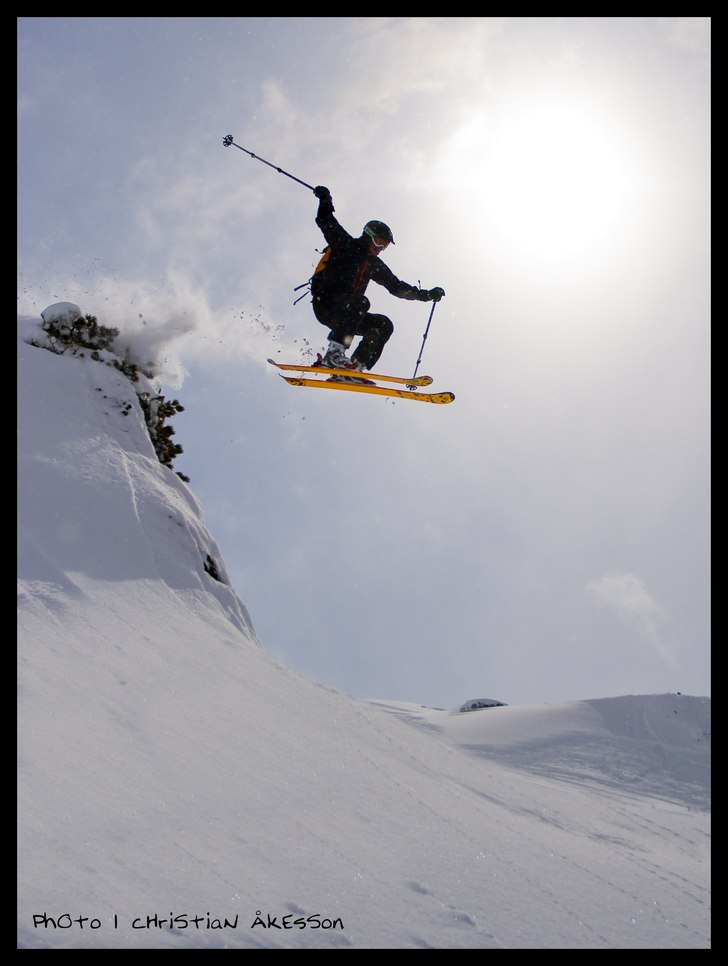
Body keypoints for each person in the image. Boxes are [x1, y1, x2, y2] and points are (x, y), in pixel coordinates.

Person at [309, 185, 445, 380]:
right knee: (360, 302)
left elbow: (396, 287)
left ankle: (353, 369)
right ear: (368, 236)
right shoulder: (345, 244)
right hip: (327, 303)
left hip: (348, 315)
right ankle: (333, 356)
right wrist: (325, 199)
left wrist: (426, 295)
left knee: (383, 325)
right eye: (379, 242)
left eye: (385, 246)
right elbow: (325, 221)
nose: (381, 248)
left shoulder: (374, 264)